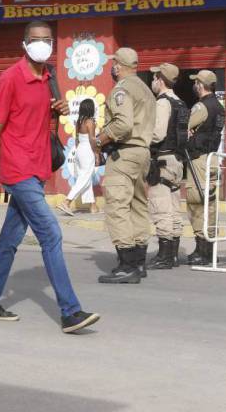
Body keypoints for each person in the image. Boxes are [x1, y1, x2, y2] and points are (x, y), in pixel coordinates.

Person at [0, 21, 100, 334]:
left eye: (47, 40)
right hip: (17, 169)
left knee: (10, 238)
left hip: (38, 166)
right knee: (51, 233)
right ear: (24, 43)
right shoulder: (11, 77)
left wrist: (55, 115)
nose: (42, 44)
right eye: (36, 39)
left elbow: (45, 133)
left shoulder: (49, 79)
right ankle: (70, 311)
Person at [96, 47, 156, 284]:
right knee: (138, 205)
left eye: (114, 64)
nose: (112, 68)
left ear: (118, 66)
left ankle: (127, 264)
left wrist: (100, 139)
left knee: (117, 206)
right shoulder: (145, 89)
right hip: (143, 152)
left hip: (125, 154)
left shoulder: (122, 89)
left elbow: (122, 124)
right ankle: (139, 262)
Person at [146, 63, 188, 270]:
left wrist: (141, 138)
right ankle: (172, 255)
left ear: (160, 80)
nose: (152, 82)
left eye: (154, 78)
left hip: (163, 160)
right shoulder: (181, 103)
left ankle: (164, 256)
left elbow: (158, 133)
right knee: (173, 209)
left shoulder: (163, 102)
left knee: (161, 208)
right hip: (177, 161)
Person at [185, 70, 225, 266]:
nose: (195, 86)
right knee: (210, 204)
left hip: (199, 160)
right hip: (212, 159)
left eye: (196, 83)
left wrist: (189, 131)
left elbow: (183, 126)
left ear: (200, 85)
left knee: (197, 203)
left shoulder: (201, 106)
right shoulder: (219, 106)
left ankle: (202, 251)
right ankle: (211, 249)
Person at [58, 99, 98, 216]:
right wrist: (96, 153)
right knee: (85, 177)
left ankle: (93, 206)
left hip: (79, 149)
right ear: (90, 109)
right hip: (87, 150)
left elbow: (76, 139)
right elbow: (92, 139)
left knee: (85, 177)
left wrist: (78, 150)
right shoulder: (90, 122)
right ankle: (67, 201)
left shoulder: (79, 122)